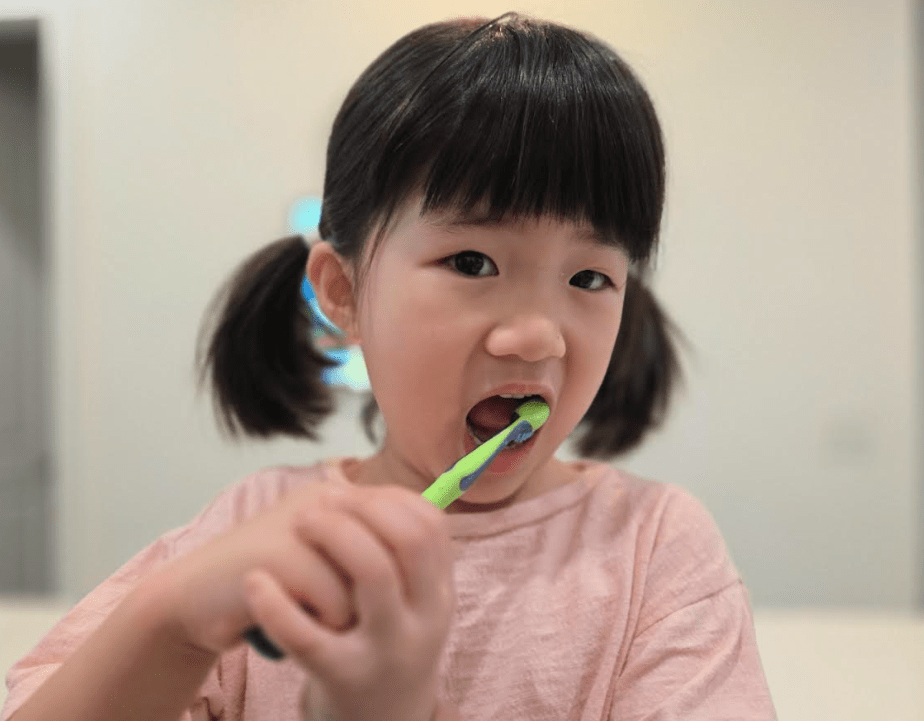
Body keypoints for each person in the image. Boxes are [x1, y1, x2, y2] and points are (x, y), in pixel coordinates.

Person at [1, 12, 777, 721]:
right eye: (472, 260)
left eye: (589, 277)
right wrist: (166, 623)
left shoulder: (653, 547)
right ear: (343, 292)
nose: (540, 336)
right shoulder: (256, 532)